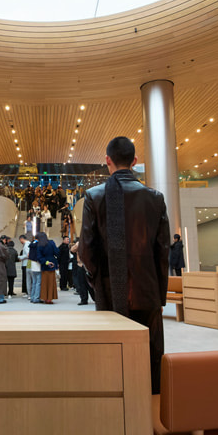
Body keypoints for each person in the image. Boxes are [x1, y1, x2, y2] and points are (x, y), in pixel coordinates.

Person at [80, 136, 170, 393]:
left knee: (113, 352)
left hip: (110, 289)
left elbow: (87, 249)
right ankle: (152, 408)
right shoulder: (155, 198)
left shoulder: (94, 196)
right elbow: (163, 252)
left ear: (107, 160)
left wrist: (97, 280)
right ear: (135, 161)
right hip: (147, 288)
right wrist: (159, 294)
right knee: (149, 354)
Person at [36, 232, 59, 304]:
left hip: (45, 265)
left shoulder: (39, 245)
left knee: (44, 283)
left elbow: (39, 257)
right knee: (51, 282)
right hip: (52, 264)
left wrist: (46, 262)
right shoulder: (51, 242)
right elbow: (57, 252)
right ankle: (50, 298)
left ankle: (45, 298)